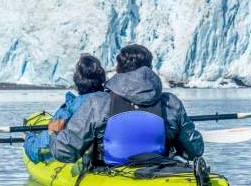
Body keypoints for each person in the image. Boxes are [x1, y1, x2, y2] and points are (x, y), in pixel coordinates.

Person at [50, 44, 204, 165]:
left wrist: (55, 134)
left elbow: (65, 153)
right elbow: (195, 150)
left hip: (112, 173)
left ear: (118, 70)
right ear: (149, 69)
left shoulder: (97, 103)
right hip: (159, 170)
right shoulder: (171, 103)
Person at [24, 54, 107, 163]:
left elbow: (39, 149)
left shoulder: (68, 110)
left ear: (77, 84)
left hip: (82, 159)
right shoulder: (115, 101)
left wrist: (28, 139)